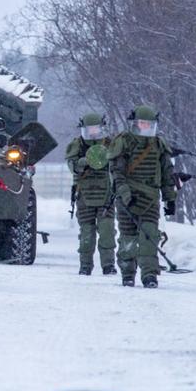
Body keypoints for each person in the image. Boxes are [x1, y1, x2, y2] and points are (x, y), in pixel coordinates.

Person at [107, 105, 177, 288]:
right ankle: (128, 273)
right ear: (135, 123)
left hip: (151, 198)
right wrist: (126, 195)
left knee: (149, 236)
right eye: (143, 124)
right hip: (127, 199)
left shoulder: (159, 144)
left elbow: (167, 174)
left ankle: (149, 275)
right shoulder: (124, 142)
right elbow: (117, 173)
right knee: (128, 237)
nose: (146, 127)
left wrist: (170, 198)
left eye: (149, 124)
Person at [65, 113, 117, 276]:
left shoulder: (110, 144)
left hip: (106, 194)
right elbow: (72, 166)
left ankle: (108, 265)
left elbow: (119, 164)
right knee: (87, 232)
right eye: (90, 129)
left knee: (107, 230)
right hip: (84, 194)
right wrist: (85, 161)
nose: (93, 132)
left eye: (96, 129)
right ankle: (85, 265)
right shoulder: (77, 145)